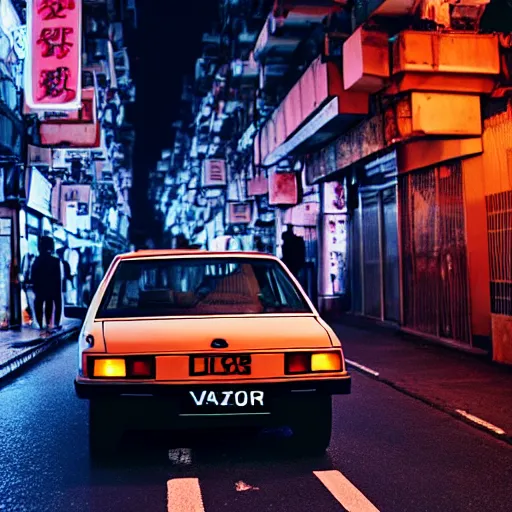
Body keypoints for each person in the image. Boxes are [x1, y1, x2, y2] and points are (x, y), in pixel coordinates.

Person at [31, 236, 62, 334]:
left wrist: (34, 286)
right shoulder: (55, 261)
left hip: (40, 287)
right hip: (52, 288)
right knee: (49, 304)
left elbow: (33, 275)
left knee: (39, 304)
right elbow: (58, 278)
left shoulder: (37, 260)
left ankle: (41, 324)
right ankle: (50, 324)